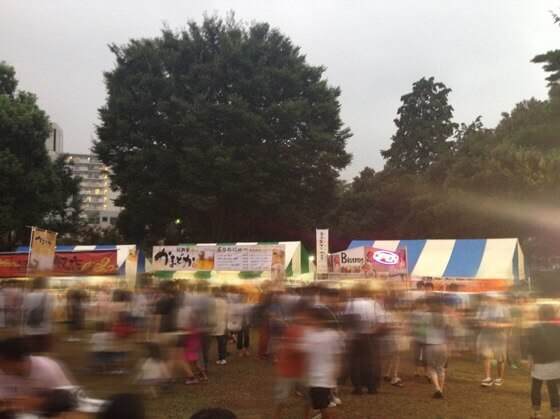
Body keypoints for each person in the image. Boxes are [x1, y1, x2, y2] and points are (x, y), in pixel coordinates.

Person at [0, 336, 76, 417]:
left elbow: (71, 399)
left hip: (50, 413)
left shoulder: (48, 369)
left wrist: (41, 402)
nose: (0, 366)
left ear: (21, 361)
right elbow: (5, 401)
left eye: (3, 362)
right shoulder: (2, 373)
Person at [302, 307, 342, 419]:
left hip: (323, 377)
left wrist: (335, 372)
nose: (310, 321)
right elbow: (305, 354)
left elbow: (337, 354)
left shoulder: (331, 335)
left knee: (322, 405)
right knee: (310, 401)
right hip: (312, 376)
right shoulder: (309, 334)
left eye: (312, 319)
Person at [344, 287, 385, 395]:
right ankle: (371, 387)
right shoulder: (374, 304)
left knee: (355, 363)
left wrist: (348, 336)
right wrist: (373, 331)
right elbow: (381, 321)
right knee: (370, 362)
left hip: (354, 336)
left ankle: (358, 387)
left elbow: (347, 322)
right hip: (369, 336)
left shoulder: (351, 303)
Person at [273, 302, 307, 419]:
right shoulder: (292, 330)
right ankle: (277, 416)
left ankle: (305, 416)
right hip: (288, 370)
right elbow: (289, 349)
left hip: (301, 370)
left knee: (308, 398)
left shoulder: (304, 329)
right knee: (282, 397)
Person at [527, 305, 560, 419]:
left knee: (536, 387)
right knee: (553, 389)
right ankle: (555, 414)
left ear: (540, 314)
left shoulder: (535, 328)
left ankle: (536, 412)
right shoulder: (558, 328)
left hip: (539, 362)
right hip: (555, 362)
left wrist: (530, 359)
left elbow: (531, 346)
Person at [476, 294, 511, 387]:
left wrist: (498, 325)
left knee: (500, 358)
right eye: (488, 298)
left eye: (492, 298)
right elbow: (478, 321)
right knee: (486, 355)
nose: (490, 300)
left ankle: (499, 378)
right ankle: (488, 378)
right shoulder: (483, 308)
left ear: (497, 299)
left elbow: (509, 323)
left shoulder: (504, 309)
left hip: (499, 335)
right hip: (485, 335)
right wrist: (483, 324)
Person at [423, 296, 450, 399]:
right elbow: (449, 331)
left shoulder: (426, 316)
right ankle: (441, 389)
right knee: (441, 368)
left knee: (431, 368)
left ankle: (437, 388)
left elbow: (422, 330)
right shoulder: (445, 316)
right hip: (443, 345)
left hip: (430, 344)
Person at [21, 277, 53, 353]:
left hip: (30, 328)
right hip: (45, 328)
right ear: (45, 285)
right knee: (43, 351)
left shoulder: (28, 296)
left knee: (31, 351)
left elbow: (24, 310)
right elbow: (49, 311)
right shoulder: (49, 296)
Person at [211, 288, 228, 365]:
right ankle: (222, 358)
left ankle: (205, 360)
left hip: (213, 324)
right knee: (222, 343)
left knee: (209, 343)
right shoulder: (224, 302)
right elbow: (227, 314)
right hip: (222, 324)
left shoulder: (212, 302)